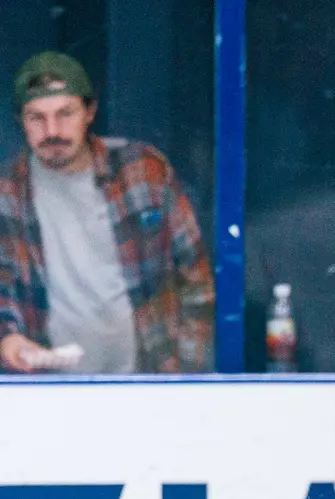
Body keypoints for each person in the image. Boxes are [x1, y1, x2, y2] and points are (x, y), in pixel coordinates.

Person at [0, 51, 213, 374]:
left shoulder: (144, 171)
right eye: (36, 117)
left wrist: (182, 377)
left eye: (66, 113)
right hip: (47, 393)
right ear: (21, 121)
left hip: (149, 385)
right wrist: (7, 341)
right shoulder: (7, 192)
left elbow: (196, 279)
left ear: (90, 111)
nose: (52, 130)